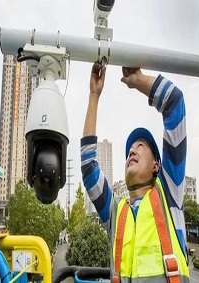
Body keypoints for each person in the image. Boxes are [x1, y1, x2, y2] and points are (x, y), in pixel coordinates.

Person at [81, 61, 189, 282]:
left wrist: (139, 81)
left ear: (156, 166)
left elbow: (175, 103)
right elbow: (88, 165)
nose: (132, 150)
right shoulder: (115, 212)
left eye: (141, 146)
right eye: (130, 148)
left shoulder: (170, 193)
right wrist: (94, 96)